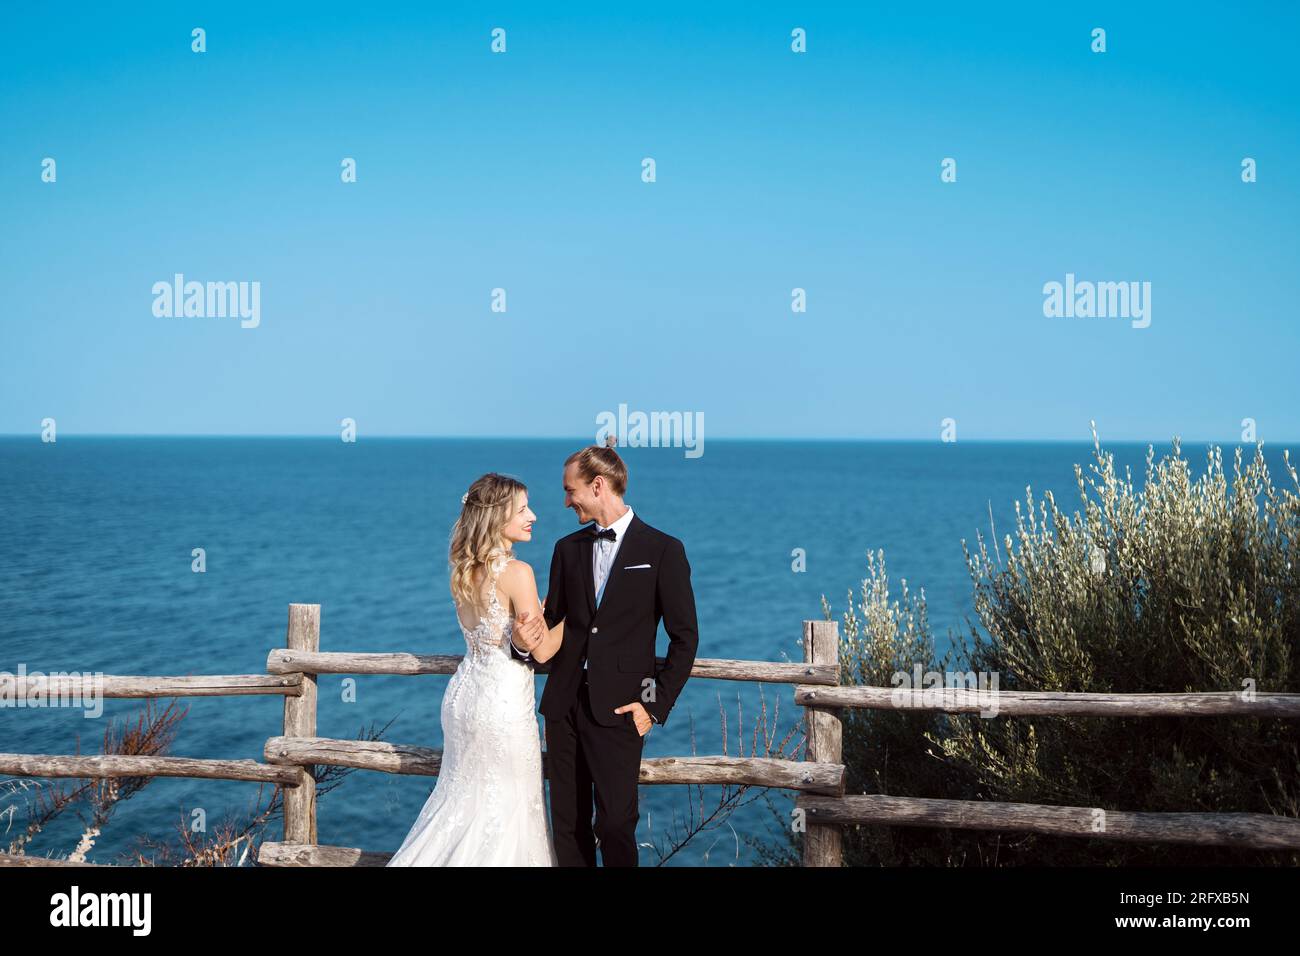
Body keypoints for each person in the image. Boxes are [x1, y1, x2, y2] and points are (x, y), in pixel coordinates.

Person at [510, 445, 699, 866]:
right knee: (568, 826)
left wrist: (653, 706)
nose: (565, 501)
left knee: (615, 824)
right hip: (563, 707)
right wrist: (520, 642)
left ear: (597, 485)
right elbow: (552, 630)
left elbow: (685, 639)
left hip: (620, 710)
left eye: (569, 490)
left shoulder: (664, 550)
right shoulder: (566, 549)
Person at [387, 473, 562, 866]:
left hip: (464, 698)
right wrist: (583, 614)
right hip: (502, 706)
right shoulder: (518, 573)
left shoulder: (464, 572)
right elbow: (545, 650)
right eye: (522, 509)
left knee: (461, 803)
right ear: (499, 517)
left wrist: (539, 614)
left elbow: (502, 630)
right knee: (508, 811)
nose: (533, 515)